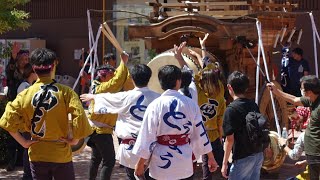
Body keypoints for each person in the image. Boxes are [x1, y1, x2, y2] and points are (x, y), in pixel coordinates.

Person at [0, 48, 93, 180]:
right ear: (53, 66)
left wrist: (24, 142)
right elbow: (79, 115)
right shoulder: (66, 92)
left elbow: (6, 121)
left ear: (33, 68)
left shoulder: (25, 94)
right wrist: (74, 140)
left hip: (37, 152)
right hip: (60, 152)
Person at [133, 65, 218, 180]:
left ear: (160, 82)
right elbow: (200, 133)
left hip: (161, 161)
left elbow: (147, 136)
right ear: (178, 81)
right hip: (184, 160)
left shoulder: (155, 105)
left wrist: (140, 162)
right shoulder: (191, 104)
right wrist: (211, 157)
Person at [81, 64, 160, 180]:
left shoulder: (125, 96)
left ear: (132, 79)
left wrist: (93, 97)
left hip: (131, 149)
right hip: (154, 148)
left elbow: (106, 97)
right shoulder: (159, 98)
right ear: (149, 77)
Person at [175, 40, 226, 179]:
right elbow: (221, 117)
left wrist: (180, 57)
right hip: (211, 133)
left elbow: (190, 72)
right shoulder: (219, 89)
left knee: (204, 162)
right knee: (211, 162)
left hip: (200, 133)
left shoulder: (198, 88)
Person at [86, 53, 129, 180]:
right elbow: (118, 81)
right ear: (104, 76)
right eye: (111, 74)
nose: (113, 76)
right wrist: (123, 62)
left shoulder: (98, 87)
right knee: (109, 161)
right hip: (101, 131)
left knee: (96, 159)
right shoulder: (102, 88)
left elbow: (119, 79)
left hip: (95, 130)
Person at [268, 75, 320, 179]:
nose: (301, 90)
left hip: (316, 154)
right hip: (312, 155)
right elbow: (295, 100)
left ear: (309, 92)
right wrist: (276, 91)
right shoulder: (312, 99)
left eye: (302, 89)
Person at [221, 71, 264, 180]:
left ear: (229, 87)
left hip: (242, 156)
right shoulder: (253, 104)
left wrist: (224, 163)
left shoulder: (230, 110)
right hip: (258, 154)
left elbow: (229, 140)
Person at [16, 63, 38, 180]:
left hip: (28, 122)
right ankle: (27, 174)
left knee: (28, 148)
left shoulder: (27, 85)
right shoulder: (25, 86)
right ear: (31, 73)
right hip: (26, 122)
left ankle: (28, 174)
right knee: (27, 148)